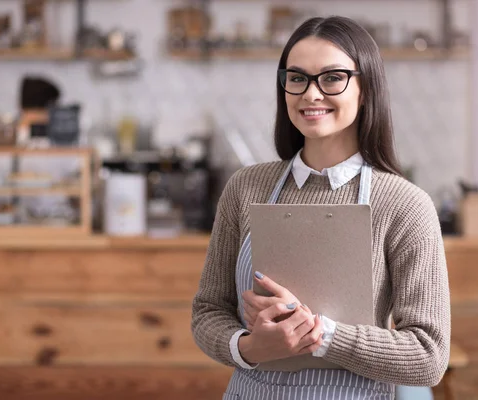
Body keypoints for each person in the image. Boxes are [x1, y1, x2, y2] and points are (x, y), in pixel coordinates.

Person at [191, 15, 450, 400]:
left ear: (365, 89)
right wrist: (248, 348)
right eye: (297, 78)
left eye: (332, 78)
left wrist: (319, 334)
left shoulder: (406, 205)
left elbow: (428, 355)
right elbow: (208, 312)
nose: (311, 94)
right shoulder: (245, 188)